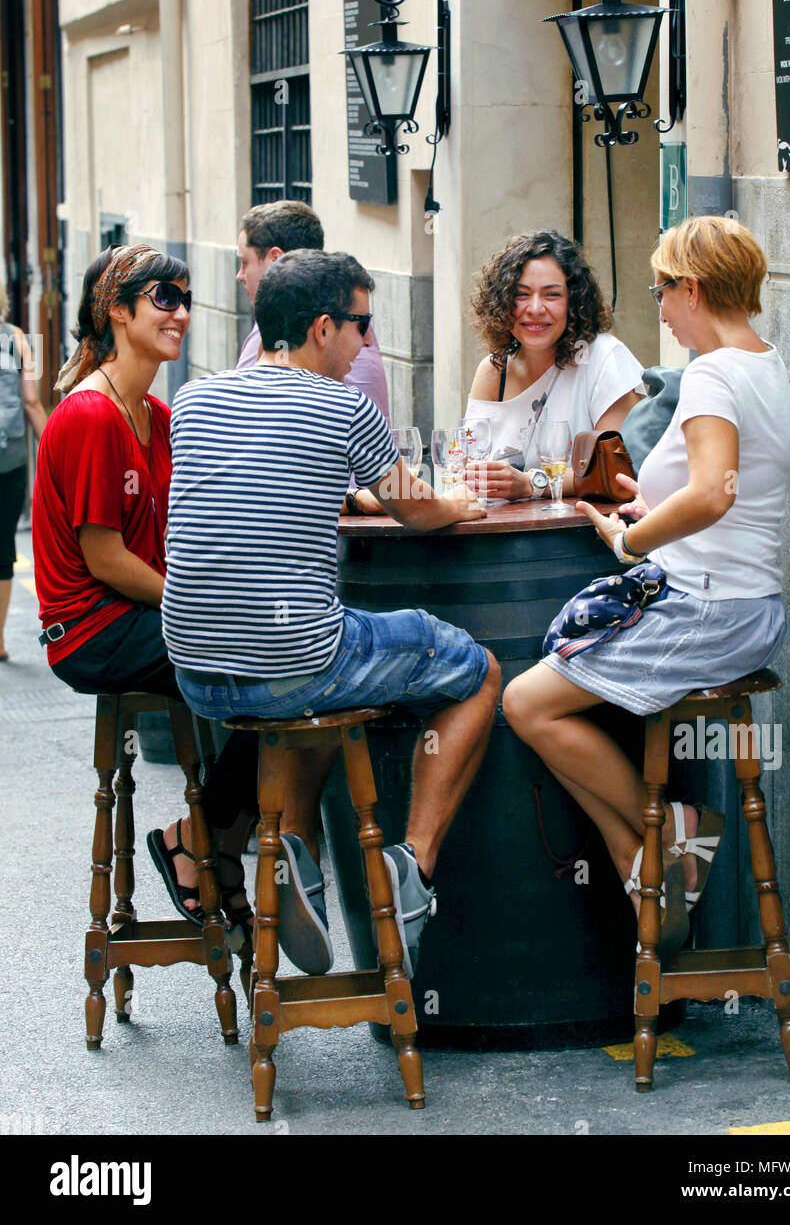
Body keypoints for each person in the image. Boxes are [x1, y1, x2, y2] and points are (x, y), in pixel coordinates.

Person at [163, 248, 502, 978]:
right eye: (363, 325)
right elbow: (416, 509)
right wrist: (461, 503)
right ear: (323, 328)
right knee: (477, 669)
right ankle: (410, 870)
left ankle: (294, 858)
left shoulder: (193, 399)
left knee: (318, 681)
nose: (368, 343)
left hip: (195, 673)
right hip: (295, 666)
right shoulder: (346, 405)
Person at [503, 216, 790, 949]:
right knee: (546, 701)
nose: (659, 308)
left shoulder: (713, 374)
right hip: (742, 604)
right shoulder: (763, 363)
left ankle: (679, 832)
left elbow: (713, 496)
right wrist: (651, 506)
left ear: (692, 289)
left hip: (708, 607)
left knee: (527, 703)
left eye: (662, 290)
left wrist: (631, 537)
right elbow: (725, 490)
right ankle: (650, 864)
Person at [31, 244, 258, 935]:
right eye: (165, 298)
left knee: (274, 654)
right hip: (90, 630)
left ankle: (208, 839)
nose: (181, 313)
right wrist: (197, 603)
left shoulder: (156, 416)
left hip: (131, 615)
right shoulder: (91, 414)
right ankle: (202, 842)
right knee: (269, 664)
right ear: (116, 310)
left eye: (185, 299)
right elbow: (105, 559)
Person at [462, 229, 644, 502]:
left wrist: (531, 484)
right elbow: (469, 470)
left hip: (578, 536)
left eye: (551, 295)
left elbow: (619, 470)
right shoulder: (492, 371)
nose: (535, 309)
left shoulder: (604, 358)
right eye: (521, 295)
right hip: (492, 532)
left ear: (575, 302)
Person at [235, 199, 390, 421]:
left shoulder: (283, 321)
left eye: (244, 262)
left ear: (276, 259)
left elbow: (247, 410)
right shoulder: (344, 312)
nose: (240, 275)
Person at [0, 290, 48, 660]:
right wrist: (52, 446)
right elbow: (31, 400)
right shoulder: (21, 340)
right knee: (4, 548)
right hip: (10, 459)